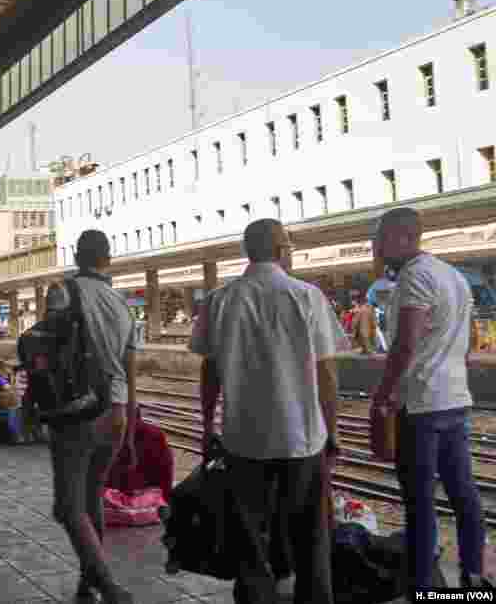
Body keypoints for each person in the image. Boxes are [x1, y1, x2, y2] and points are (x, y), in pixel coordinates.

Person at [190, 219, 344, 604]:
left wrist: (208, 424)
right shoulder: (308, 296)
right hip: (303, 437)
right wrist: (333, 431)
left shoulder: (219, 300)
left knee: (249, 533)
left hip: (243, 439)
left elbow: (210, 371)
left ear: (248, 251)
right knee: (311, 531)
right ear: (281, 250)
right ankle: (315, 596)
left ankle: (257, 596)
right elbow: (326, 373)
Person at [370, 207, 487, 593]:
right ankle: (472, 577)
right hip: (455, 399)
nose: (376, 247)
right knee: (464, 494)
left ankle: (422, 587)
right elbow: (466, 344)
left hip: (421, 405)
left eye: (380, 239)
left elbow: (405, 344)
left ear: (403, 237)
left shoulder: (415, 276)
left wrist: (383, 394)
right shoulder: (453, 276)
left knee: (419, 503)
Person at [45, 230, 137, 603]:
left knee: (68, 507)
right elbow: (131, 368)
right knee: (92, 496)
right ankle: (88, 582)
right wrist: (130, 418)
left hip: (76, 412)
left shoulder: (62, 292)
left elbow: (47, 353)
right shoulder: (122, 303)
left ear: (77, 256)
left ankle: (107, 584)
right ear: (107, 259)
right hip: (115, 411)